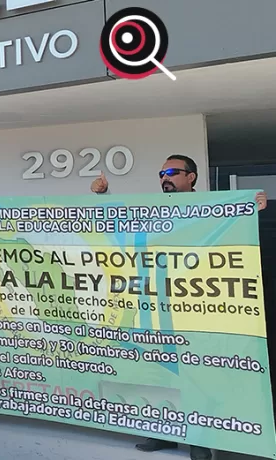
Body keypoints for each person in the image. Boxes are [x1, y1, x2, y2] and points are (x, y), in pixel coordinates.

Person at [92, 154, 266, 460]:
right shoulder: (154, 212)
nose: (165, 178)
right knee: (156, 374)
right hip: (154, 308)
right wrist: (104, 195)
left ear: (192, 177)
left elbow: (233, 237)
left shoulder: (212, 209)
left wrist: (252, 208)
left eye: (172, 172)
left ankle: (199, 442)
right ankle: (161, 435)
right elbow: (121, 223)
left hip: (194, 309)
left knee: (195, 376)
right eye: (162, 173)